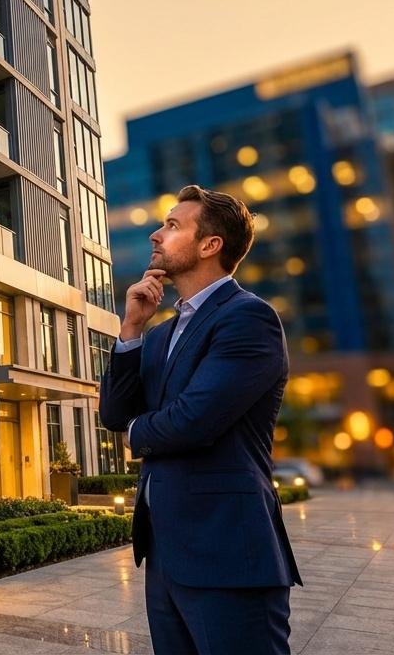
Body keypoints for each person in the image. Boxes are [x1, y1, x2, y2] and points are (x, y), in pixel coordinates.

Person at [100, 185, 301, 654]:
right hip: (166, 555)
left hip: (227, 551)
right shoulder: (161, 331)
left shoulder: (248, 318)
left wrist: (135, 433)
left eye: (172, 226)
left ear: (210, 245)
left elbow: (194, 420)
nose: (156, 234)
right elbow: (114, 412)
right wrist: (131, 329)